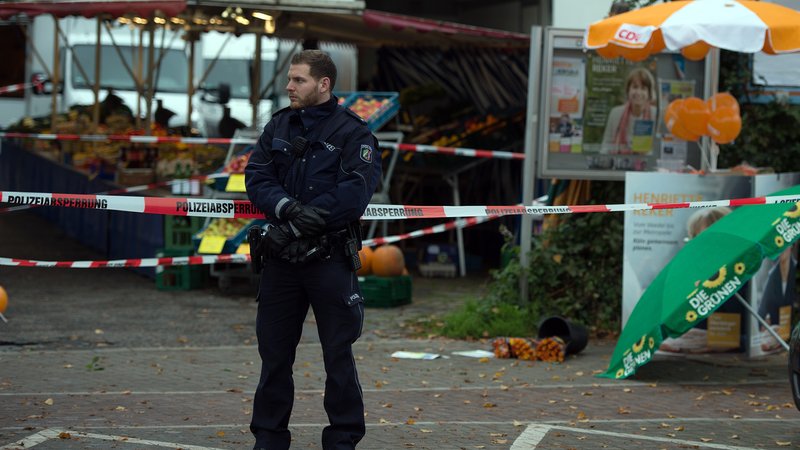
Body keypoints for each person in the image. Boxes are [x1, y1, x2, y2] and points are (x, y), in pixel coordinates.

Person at [244, 49, 382, 450]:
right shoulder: (279, 126)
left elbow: (354, 194)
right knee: (274, 358)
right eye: (290, 79)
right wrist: (287, 209)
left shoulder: (353, 133)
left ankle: (342, 440)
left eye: (298, 80)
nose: (289, 86)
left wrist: (299, 223)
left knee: (338, 356)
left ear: (323, 84)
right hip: (282, 262)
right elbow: (257, 176)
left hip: (329, 261)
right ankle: (269, 439)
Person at [601, 67, 657, 154]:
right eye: (635, 87)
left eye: (643, 88)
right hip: (618, 161)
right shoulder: (615, 113)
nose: (638, 92)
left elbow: (658, 150)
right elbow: (605, 146)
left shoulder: (656, 115)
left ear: (649, 93)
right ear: (628, 90)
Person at [757, 247, 797, 352]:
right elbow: (761, 312)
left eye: (785, 245)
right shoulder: (772, 275)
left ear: (791, 246)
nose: (781, 249)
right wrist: (763, 323)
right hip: (776, 335)